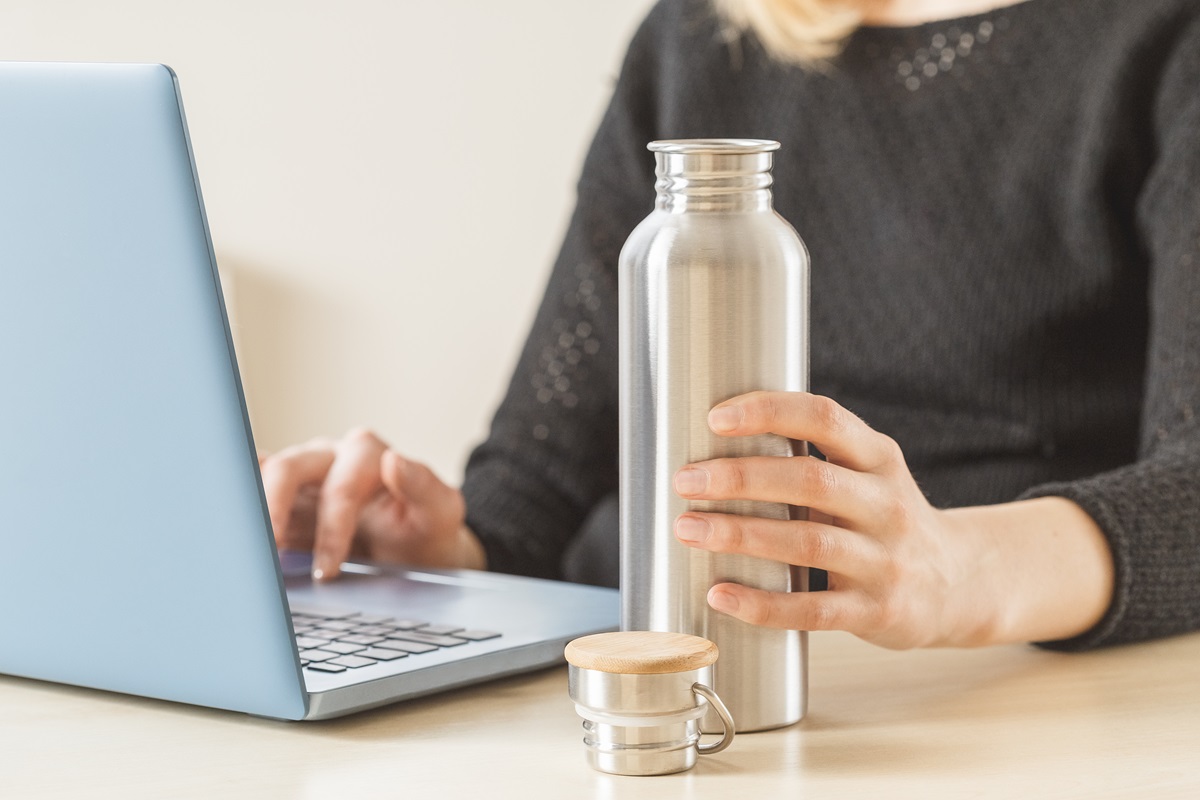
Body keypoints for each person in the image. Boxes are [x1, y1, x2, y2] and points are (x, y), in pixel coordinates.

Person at [259, 0, 1200, 652]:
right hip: (640, 675)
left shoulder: (1163, 40)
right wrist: (432, 556)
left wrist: (955, 572)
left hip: (971, 690)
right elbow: (540, 479)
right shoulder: (695, 40)